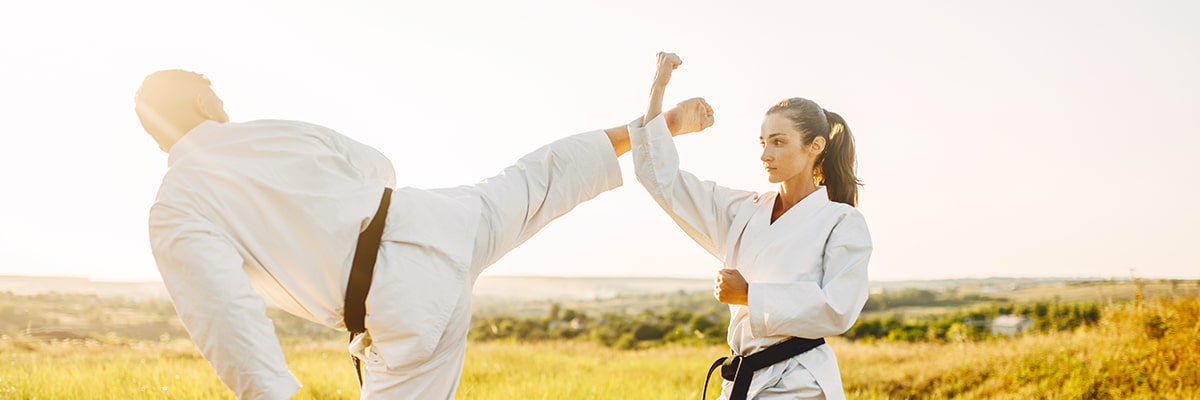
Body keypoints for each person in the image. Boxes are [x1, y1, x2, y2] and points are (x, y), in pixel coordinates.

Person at [134, 69, 711, 399]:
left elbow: (222, 313)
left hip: (395, 303)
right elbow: (379, 164)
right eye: (215, 91)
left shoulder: (176, 207)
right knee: (538, 178)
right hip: (439, 220)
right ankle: (652, 130)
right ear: (202, 99)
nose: (223, 100)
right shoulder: (275, 133)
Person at [628, 53, 872, 400]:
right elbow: (662, 179)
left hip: (799, 382)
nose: (765, 154)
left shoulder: (842, 222)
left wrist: (749, 295)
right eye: (762, 142)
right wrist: (658, 88)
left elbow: (839, 308)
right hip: (741, 382)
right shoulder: (743, 211)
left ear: (815, 147)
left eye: (778, 141)